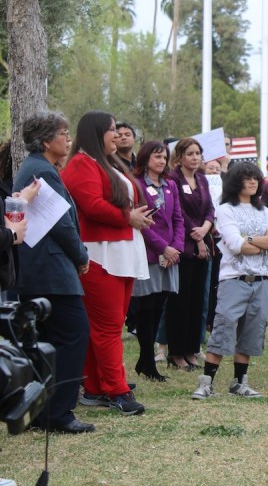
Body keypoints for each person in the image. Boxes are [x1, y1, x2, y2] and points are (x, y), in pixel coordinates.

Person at [61, 110, 152, 415]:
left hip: (120, 250)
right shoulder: (80, 164)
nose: (117, 135)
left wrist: (135, 216)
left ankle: (97, 386)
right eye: (112, 130)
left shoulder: (105, 162)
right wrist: (128, 217)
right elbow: (92, 205)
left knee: (104, 325)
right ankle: (117, 390)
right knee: (108, 327)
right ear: (96, 132)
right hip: (100, 253)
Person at [14, 112, 89, 432]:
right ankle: (59, 414)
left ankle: (40, 412)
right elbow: (62, 223)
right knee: (73, 334)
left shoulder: (36, 167)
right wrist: (81, 254)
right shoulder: (41, 170)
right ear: (46, 141)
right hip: (51, 270)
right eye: (63, 133)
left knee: (47, 339)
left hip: (39, 271)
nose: (68, 138)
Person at [192, 162, 268, 399]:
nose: (253, 182)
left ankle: (240, 382)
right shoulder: (225, 209)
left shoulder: (264, 210)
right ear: (235, 181)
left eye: (255, 178)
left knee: (252, 330)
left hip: (260, 280)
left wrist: (251, 238)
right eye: (247, 178)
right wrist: (259, 242)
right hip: (234, 279)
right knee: (224, 326)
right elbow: (236, 244)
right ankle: (206, 382)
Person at [131, 141, 184, 382]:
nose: (161, 161)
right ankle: (147, 359)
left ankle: (145, 361)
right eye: (156, 156)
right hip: (150, 253)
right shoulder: (137, 185)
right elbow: (141, 225)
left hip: (170, 256)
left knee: (159, 306)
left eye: (164, 157)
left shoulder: (170, 185)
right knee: (146, 309)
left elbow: (178, 219)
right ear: (145, 158)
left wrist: (176, 249)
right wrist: (163, 248)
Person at [167, 138, 215, 370]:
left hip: (202, 244)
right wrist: (196, 235)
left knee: (198, 301)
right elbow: (178, 211)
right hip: (182, 245)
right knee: (180, 302)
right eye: (190, 154)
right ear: (180, 157)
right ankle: (176, 352)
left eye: (198, 153)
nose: (195, 158)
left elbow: (210, 209)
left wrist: (205, 229)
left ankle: (191, 349)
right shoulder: (173, 179)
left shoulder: (202, 179)